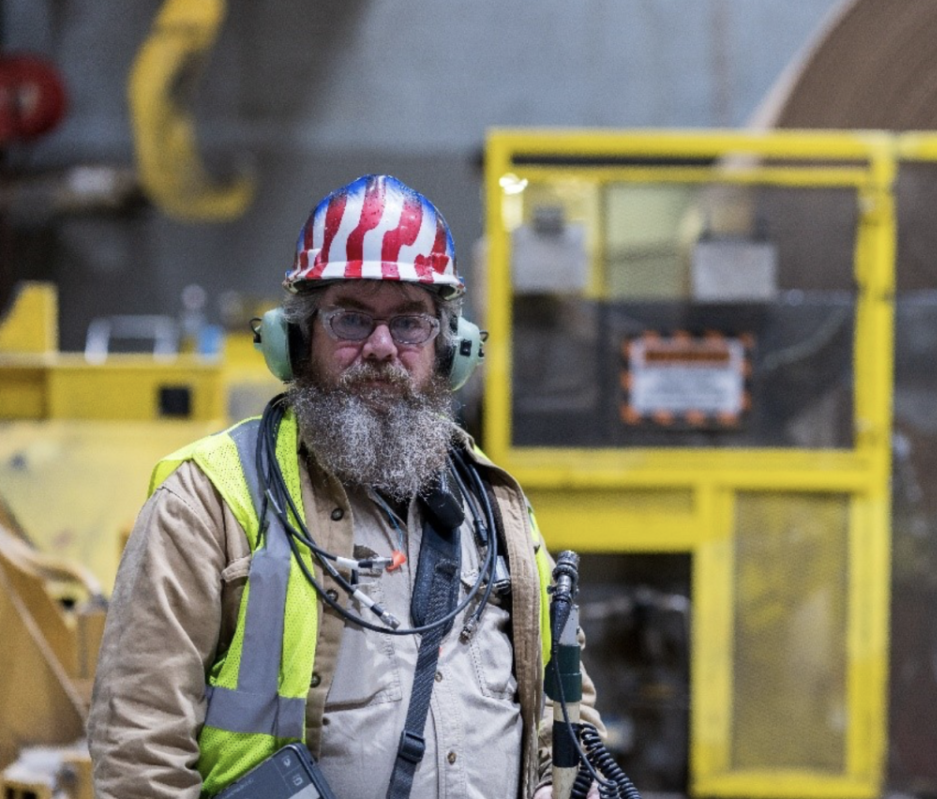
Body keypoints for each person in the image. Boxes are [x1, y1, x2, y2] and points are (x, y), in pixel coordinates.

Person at [87, 175, 604, 799]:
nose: (383, 348)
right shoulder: (210, 503)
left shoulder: (496, 507)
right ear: (296, 341)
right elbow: (140, 752)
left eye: (411, 322)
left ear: (451, 350)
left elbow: (568, 719)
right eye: (352, 319)